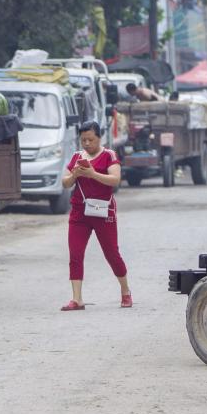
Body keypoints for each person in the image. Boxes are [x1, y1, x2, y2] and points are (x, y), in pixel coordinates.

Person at [60, 121, 132, 311]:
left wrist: (92, 174)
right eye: (83, 140)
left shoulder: (109, 155)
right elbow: (65, 183)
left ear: (99, 137)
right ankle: (77, 299)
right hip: (79, 211)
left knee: (111, 253)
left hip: (103, 210)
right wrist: (75, 175)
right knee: (75, 254)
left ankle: (125, 291)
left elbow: (115, 180)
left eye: (90, 139)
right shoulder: (77, 157)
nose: (86, 144)